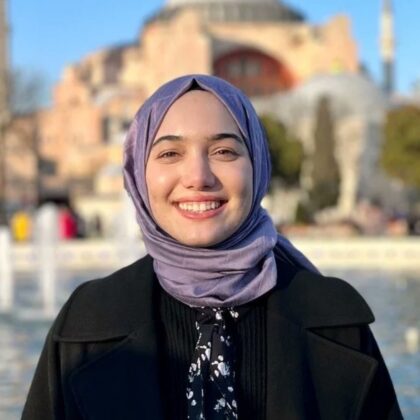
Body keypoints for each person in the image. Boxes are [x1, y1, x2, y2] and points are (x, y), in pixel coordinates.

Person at [22, 75, 402, 420]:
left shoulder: (335, 322)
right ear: (138, 173)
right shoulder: (86, 325)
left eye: (224, 152)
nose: (198, 177)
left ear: (257, 165)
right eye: (170, 154)